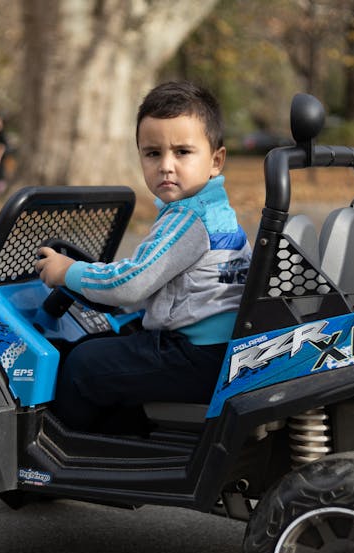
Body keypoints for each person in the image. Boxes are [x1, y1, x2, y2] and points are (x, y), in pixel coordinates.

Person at [34, 81, 252, 433]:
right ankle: (121, 441)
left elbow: (130, 283)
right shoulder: (213, 209)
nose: (166, 165)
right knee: (108, 348)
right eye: (153, 153)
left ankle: (55, 454)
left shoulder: (189, 218)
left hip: (196, 355)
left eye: (182, 152)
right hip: (216, 349)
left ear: (216, 161)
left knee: (84, 363)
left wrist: (69, 271)